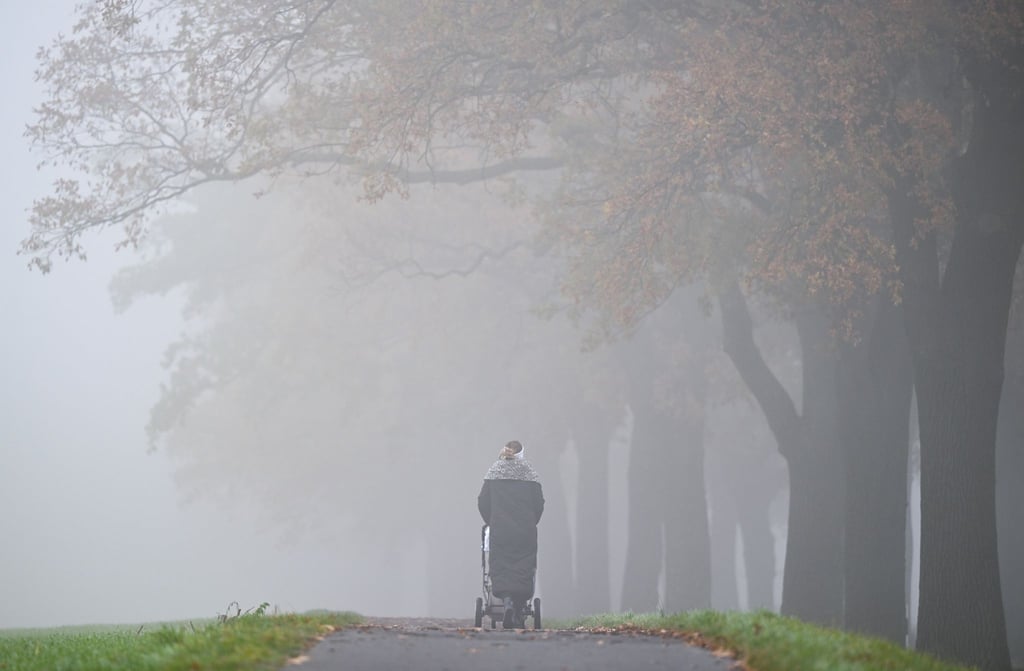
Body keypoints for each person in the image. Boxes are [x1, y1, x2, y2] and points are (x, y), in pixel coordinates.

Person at [478, 440, 545, 628]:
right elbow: (539, 503)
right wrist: (532, 521)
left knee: (501, 564)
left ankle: (507, 600)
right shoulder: (530, 473)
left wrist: (492, 521)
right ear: (522, 453)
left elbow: (482, 501)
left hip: (500, 530)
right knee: (524, 565)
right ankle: (517, 607)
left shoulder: (494, 472)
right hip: (525, 531)